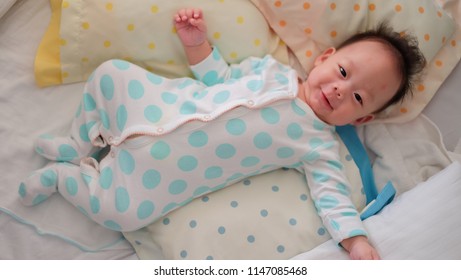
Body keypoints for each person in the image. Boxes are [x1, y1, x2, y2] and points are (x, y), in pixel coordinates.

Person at [18, 8, 425, 260]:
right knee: (110, 74)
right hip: (154, 104)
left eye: (357, 96)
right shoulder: (270, 70)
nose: (339, 89)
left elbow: (332, 196)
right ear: (324, 58)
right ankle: (76, 143)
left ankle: (63, 178)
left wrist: (355, 240)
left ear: (361, 121)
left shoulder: (317, 145)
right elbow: (219, 77)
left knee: (120, 212)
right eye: (342, 72)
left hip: (161, 176)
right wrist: (197, 45)